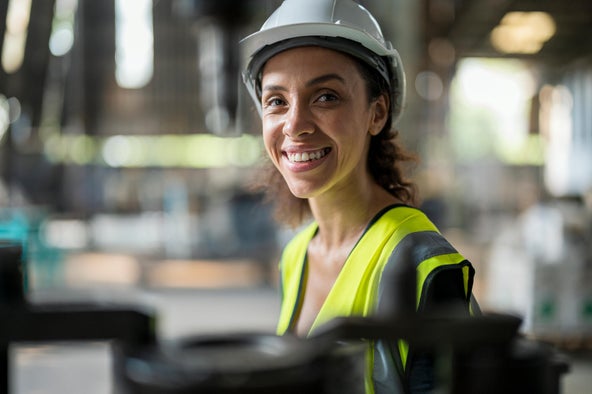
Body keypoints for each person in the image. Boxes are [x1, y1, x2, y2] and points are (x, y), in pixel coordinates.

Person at [240, 0, 477, 392]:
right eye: (277, 101)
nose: (295, 125)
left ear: (377, 113)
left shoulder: (426, 265)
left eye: (326, 96)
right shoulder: (296, 255)